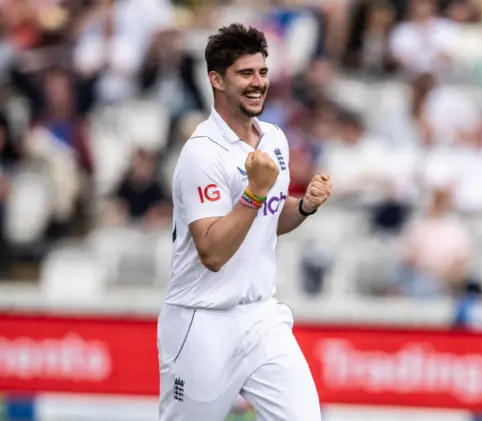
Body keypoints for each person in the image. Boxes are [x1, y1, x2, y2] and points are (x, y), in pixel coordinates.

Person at [157, 24, 332, 421]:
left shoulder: (273, 138)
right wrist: (254, 192)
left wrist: (303, 206)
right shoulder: (202, 153)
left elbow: (269, 219)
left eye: (263, 72)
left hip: (261, 316)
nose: (258, 84)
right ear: (216, 80)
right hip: (202, 321)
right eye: (245, 74)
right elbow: (213, 252)